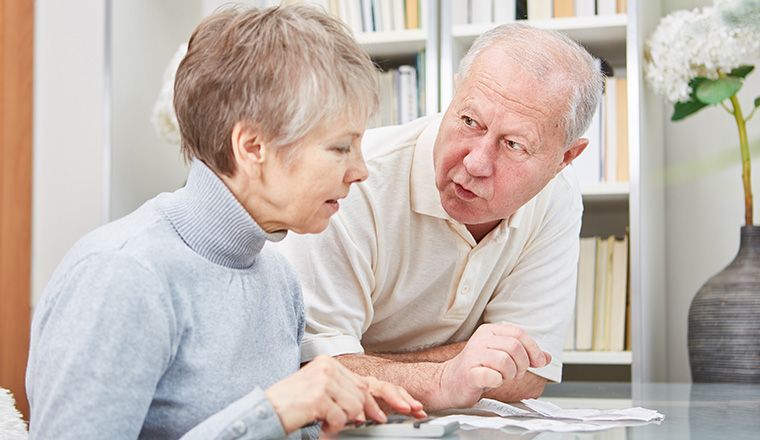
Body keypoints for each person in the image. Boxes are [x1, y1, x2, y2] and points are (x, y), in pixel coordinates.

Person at [25, 4, 425, 440]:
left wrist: (325, 414)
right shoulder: (122, 275)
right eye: (340, 147)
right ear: (253, 147)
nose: (361, 170)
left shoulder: (278, 279)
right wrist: (271, 411)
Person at [275, 22, 605, 411]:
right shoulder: (353, 183)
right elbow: (313, 372)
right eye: (470, 122)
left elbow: (528, 373)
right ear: (452, 96)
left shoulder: (557, 198)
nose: (477, 162)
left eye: (514, 144)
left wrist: (374, 365)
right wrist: (446, 376)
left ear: (565, 159)